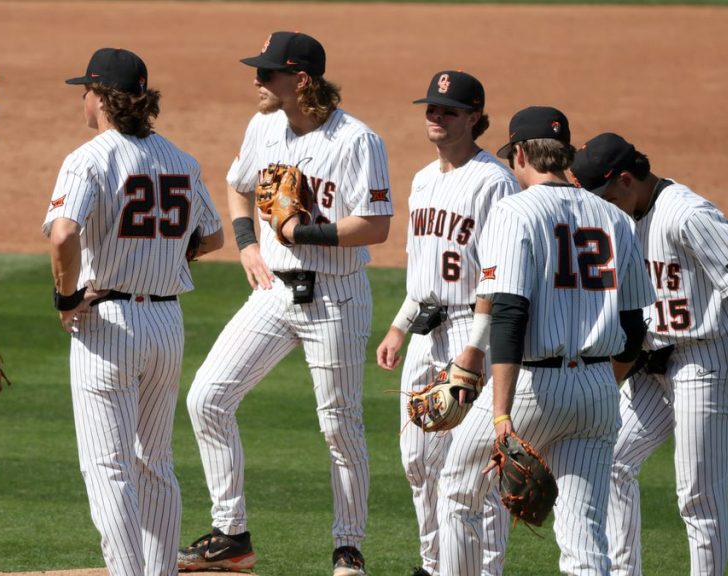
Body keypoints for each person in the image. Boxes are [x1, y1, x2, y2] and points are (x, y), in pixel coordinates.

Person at [178, 31, 392, 576]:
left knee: (339, 426)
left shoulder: (357, 140)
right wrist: (248, 244)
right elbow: (238, 184)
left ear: (300, 80)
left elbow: (376, 225)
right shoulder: (264, 125)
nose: (257, 80)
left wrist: (300, 233)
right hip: (274, 293)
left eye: (267, 73)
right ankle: (231, 535)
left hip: (336, 297)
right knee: (207, 398)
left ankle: (348, 547)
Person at [436, 107, 655, 575]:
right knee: (584, 531)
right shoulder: (613, 217)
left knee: (458, 491)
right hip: (598, 390)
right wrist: (601, 385)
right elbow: (635, 327)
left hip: (533, 390)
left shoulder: (514, 211)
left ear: (520, 154)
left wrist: (500, 415)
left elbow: (509, 314)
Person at [43, 47, 223, 576]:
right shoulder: (181, 160)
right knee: (154, 462)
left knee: (109, 467)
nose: (83, 99)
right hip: (166, 324)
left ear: (101, 97)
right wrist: (165, 252)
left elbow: (64, 234)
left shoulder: (88, 158)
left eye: (86, 90)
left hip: (109, 325)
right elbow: (212, 236)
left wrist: (66, 298)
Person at [571, 133, 728, 576]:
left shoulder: (687, 215)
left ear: (626, 179)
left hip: (704, 358)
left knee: (698, 495)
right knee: (611, 460)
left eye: (606, 195)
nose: (602, 205)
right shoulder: (623, 217)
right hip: (650, 363)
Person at [375, 70, 517, 576]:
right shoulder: (421, 179)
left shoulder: (494, 182)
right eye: (432, 108)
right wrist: (398, 326)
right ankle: (434, 565)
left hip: (471, 329)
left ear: (474, 117)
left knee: (476, 467)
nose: (436, 117)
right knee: (418, 459)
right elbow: (422, 271)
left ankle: (486, 569)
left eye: (449, 111)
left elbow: (498, 275)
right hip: (425, 329)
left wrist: (475, 349)